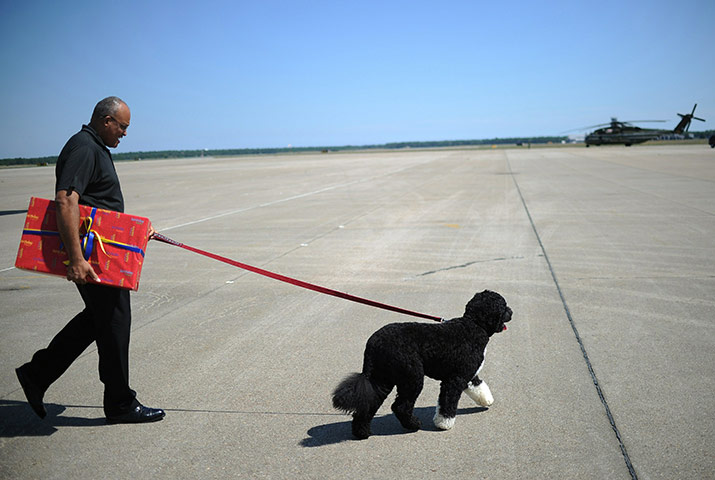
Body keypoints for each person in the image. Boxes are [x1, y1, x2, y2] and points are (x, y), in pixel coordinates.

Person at [15, 97, 165, 424]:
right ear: (106, 120)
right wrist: (76, 259)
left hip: (105, 252)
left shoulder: (95, 148)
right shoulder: (84, 148)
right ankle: (120, 403)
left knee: (100, 320)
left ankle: (37, 374)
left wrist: (136, 232)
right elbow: (66, 201)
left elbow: (101, 207)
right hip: (93, 256)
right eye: (122, 126)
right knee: (113, 321)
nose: (124, 133)